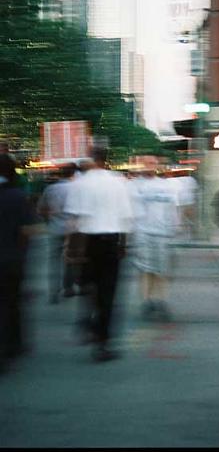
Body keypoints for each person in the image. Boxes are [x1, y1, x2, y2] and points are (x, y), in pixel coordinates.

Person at [64, 147, 133, 361]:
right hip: (111, 240)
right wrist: (123, 245)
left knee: (87, 284)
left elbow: (74, 220)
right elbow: (125, 216)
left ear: (92, 160)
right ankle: (103, 342)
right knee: (108, 292)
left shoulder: (80, 183)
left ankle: (88, 320)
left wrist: (70, 247)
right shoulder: (119, 182)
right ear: (105, 160)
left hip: (86, 241)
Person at [132, 156, 179, 320]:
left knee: (161, 270)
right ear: (142, 165)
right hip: (143, 233)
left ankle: (161, 300)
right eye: (147, 163)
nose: (150, 165)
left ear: (157, 165)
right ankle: (147, 301)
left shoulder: (166, 186)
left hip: (163, 234)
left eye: (153, 163)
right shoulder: (135, 186)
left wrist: (174, 229)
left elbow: (172, 209)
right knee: (145, 270)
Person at [0, 154, 35, 371]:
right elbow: (27, 231)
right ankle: (13, 344)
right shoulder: (18, 196)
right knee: (11, 302)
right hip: (12, 260)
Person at [37, 163, 78, 303]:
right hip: (72, 230)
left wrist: (49, 220)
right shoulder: (77, 189)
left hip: (55, 229)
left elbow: (41, 209)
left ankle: (53, 291)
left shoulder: (50, 189)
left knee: (54, 261)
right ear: (74, 173)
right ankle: (68, 287)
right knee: (71, 261)